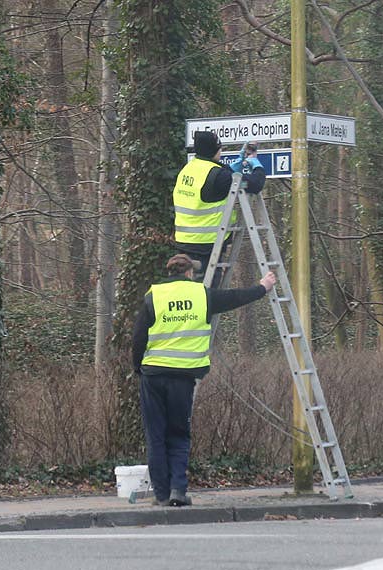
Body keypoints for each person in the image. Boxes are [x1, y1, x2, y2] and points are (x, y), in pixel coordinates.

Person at [132, 254, 276, 507]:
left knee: (155, 436)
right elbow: (235, 298)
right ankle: (178, 490)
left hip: (153, 376)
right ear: (189, 273)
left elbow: (138, 338)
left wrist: (138, 369)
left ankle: (162, 495)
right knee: (178, 434)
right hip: (183, 377)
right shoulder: (202, 295)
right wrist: (262, 287)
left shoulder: (153, 296)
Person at [173, 131, 266, 285]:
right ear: (215, 150)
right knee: (207, 298)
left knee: (187, 293)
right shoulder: (219, 177)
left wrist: (234, 166)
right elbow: (255, 184)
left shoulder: (189, 169)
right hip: (207, 246)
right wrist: (257, 166)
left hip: (184, 242)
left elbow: (215, 178)